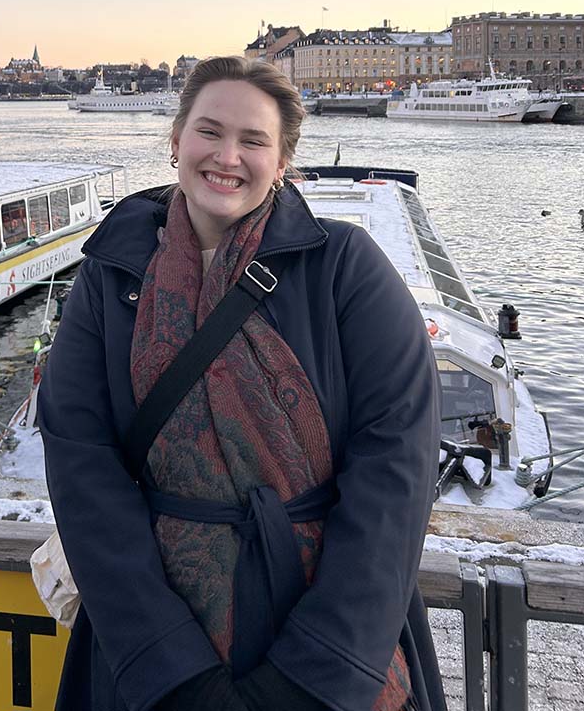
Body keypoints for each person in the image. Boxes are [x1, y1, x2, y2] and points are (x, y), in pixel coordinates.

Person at [38, 56, 446, 711]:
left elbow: (395, 468)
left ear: (282, 162)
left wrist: (315, 672)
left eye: (254, 141)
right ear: (176, 142)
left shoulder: (347, 267)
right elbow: (82, 461)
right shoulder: (110, 276)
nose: (228, 156)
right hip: (160, 633)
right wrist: (172, 668)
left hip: (325, 627)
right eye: (210, 131)